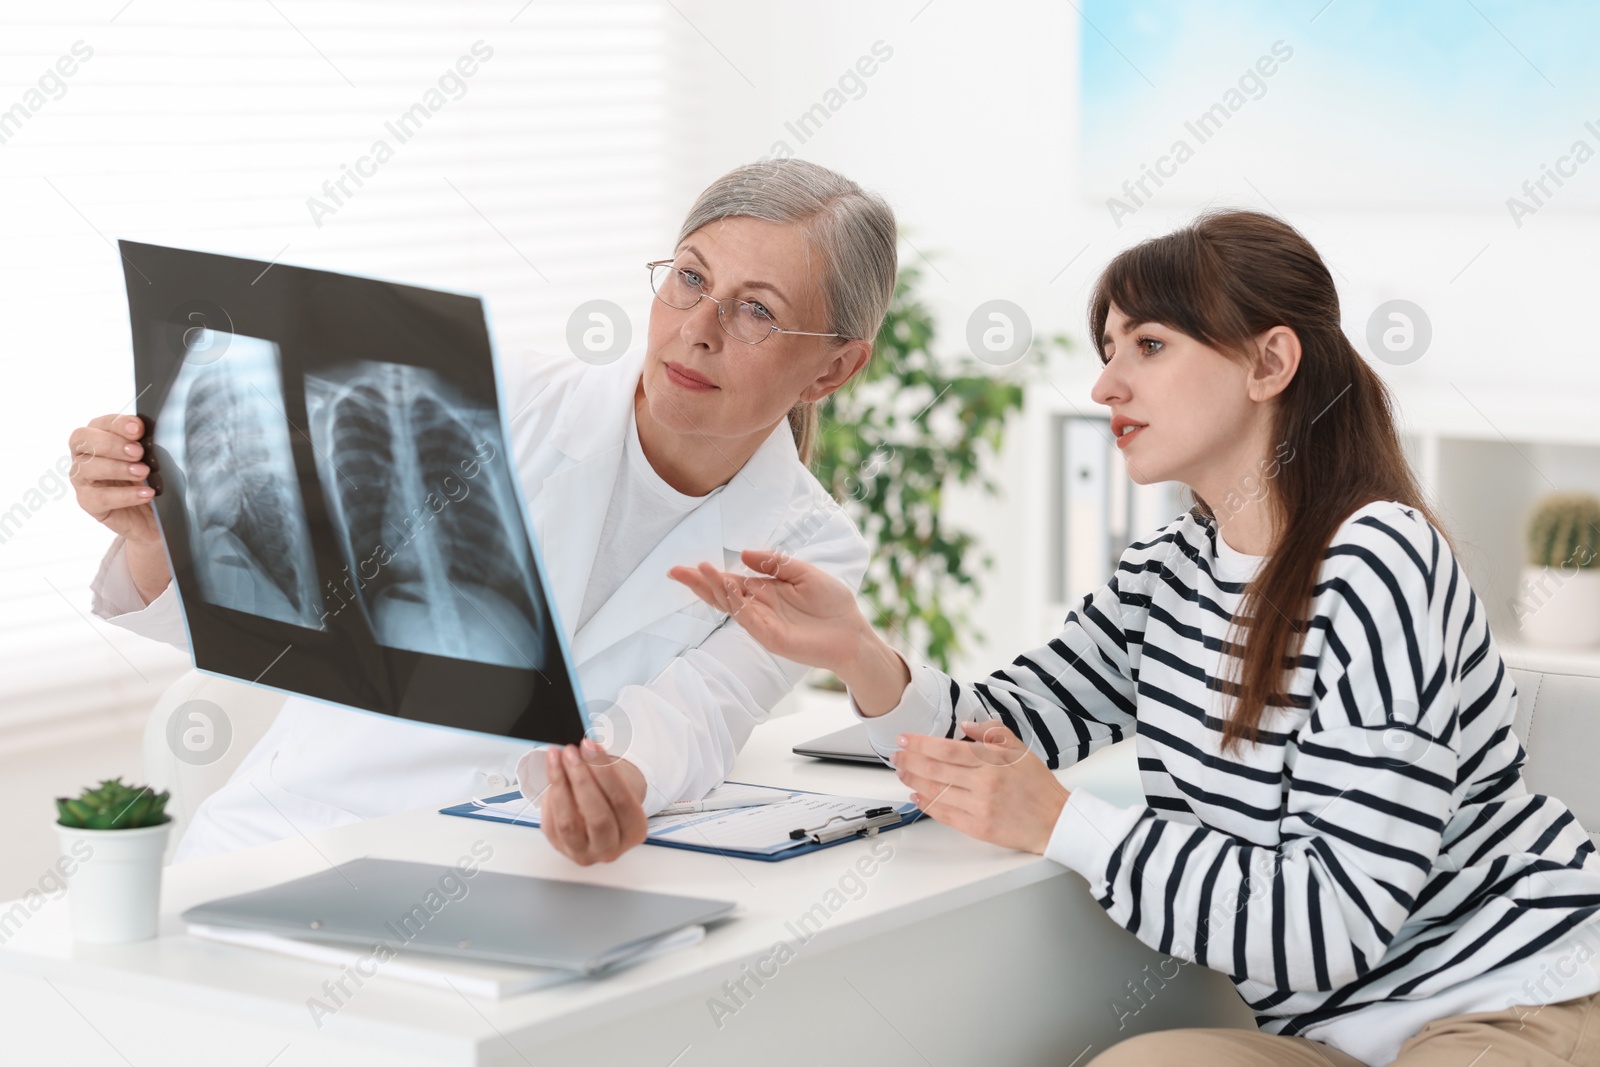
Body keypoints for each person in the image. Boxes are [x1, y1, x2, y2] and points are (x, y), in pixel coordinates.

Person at [672, 210, 1600, 1066]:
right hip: (1339, 1037)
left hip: (1516, 998)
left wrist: (1064, 821)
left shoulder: (1377, 558)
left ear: (1270, 363)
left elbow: (1338, 922)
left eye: (1149, 346)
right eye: (1109, 349)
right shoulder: (1170, 572)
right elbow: (999, 733)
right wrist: (853, 650)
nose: (1106, 384)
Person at [67, 158, 895, 867]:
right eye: (690, 277)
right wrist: (156, 539)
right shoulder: (494, 396)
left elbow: (701, 716)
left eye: (758, 309)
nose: (699, 330)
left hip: (514, 868)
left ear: (833, 369)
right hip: (293, 839)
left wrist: (615, 784)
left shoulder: (810, 545)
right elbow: (278, 604)